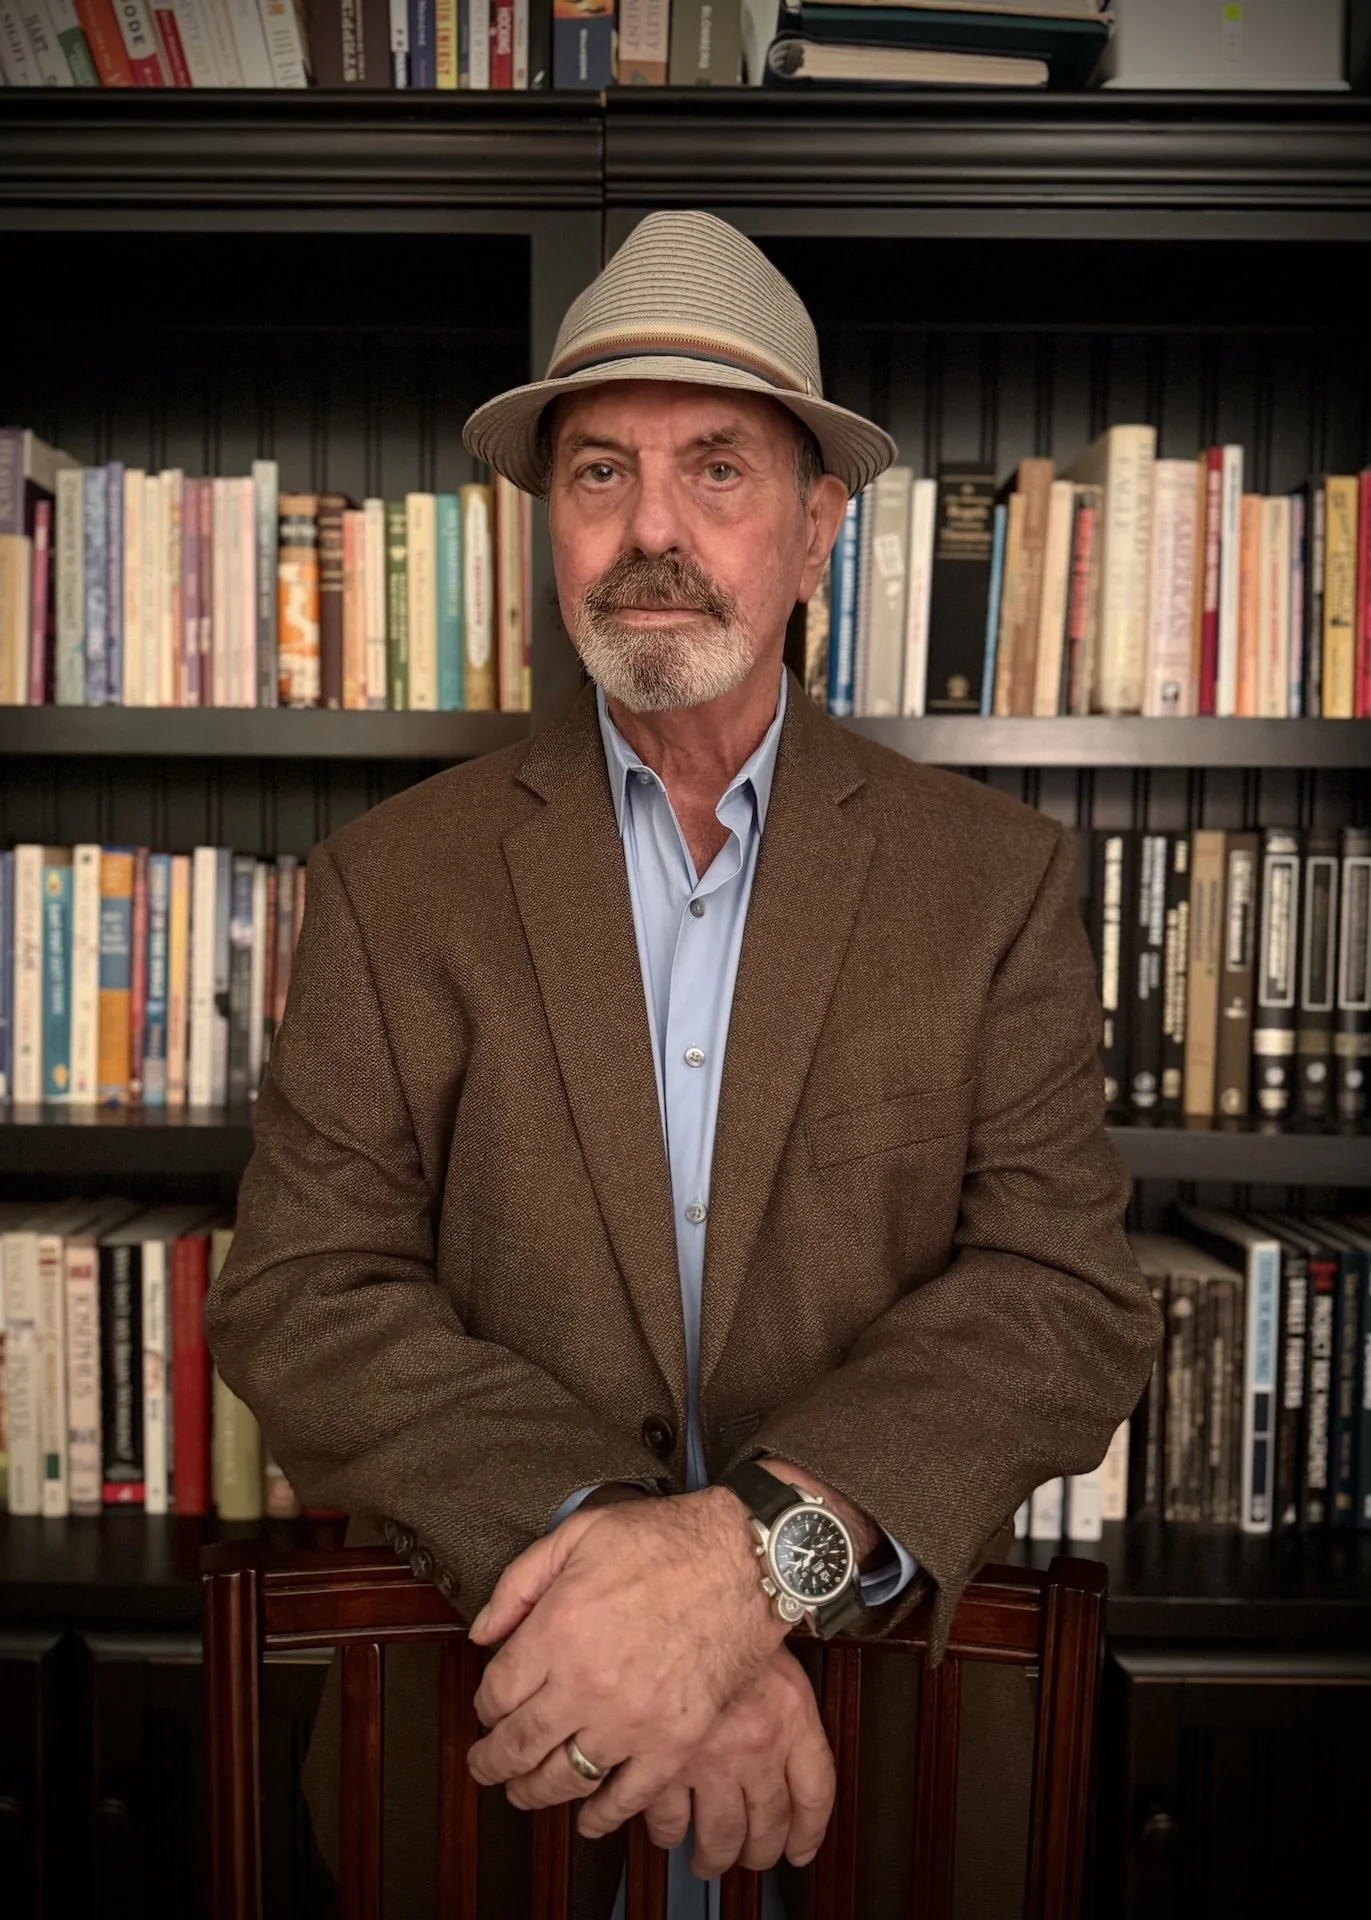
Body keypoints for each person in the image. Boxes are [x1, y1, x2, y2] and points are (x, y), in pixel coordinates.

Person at [206, 210, 1161, 1920]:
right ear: (547, 529)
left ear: (815, 528)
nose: (651, 530)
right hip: (484, 1764)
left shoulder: (990, 880)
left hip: (900, 1784)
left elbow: (1056, 1297)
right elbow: (301, 1294)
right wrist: (627, 1568)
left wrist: (748, 1572)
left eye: (716, 469)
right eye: (596, 475)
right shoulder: (387, 885)